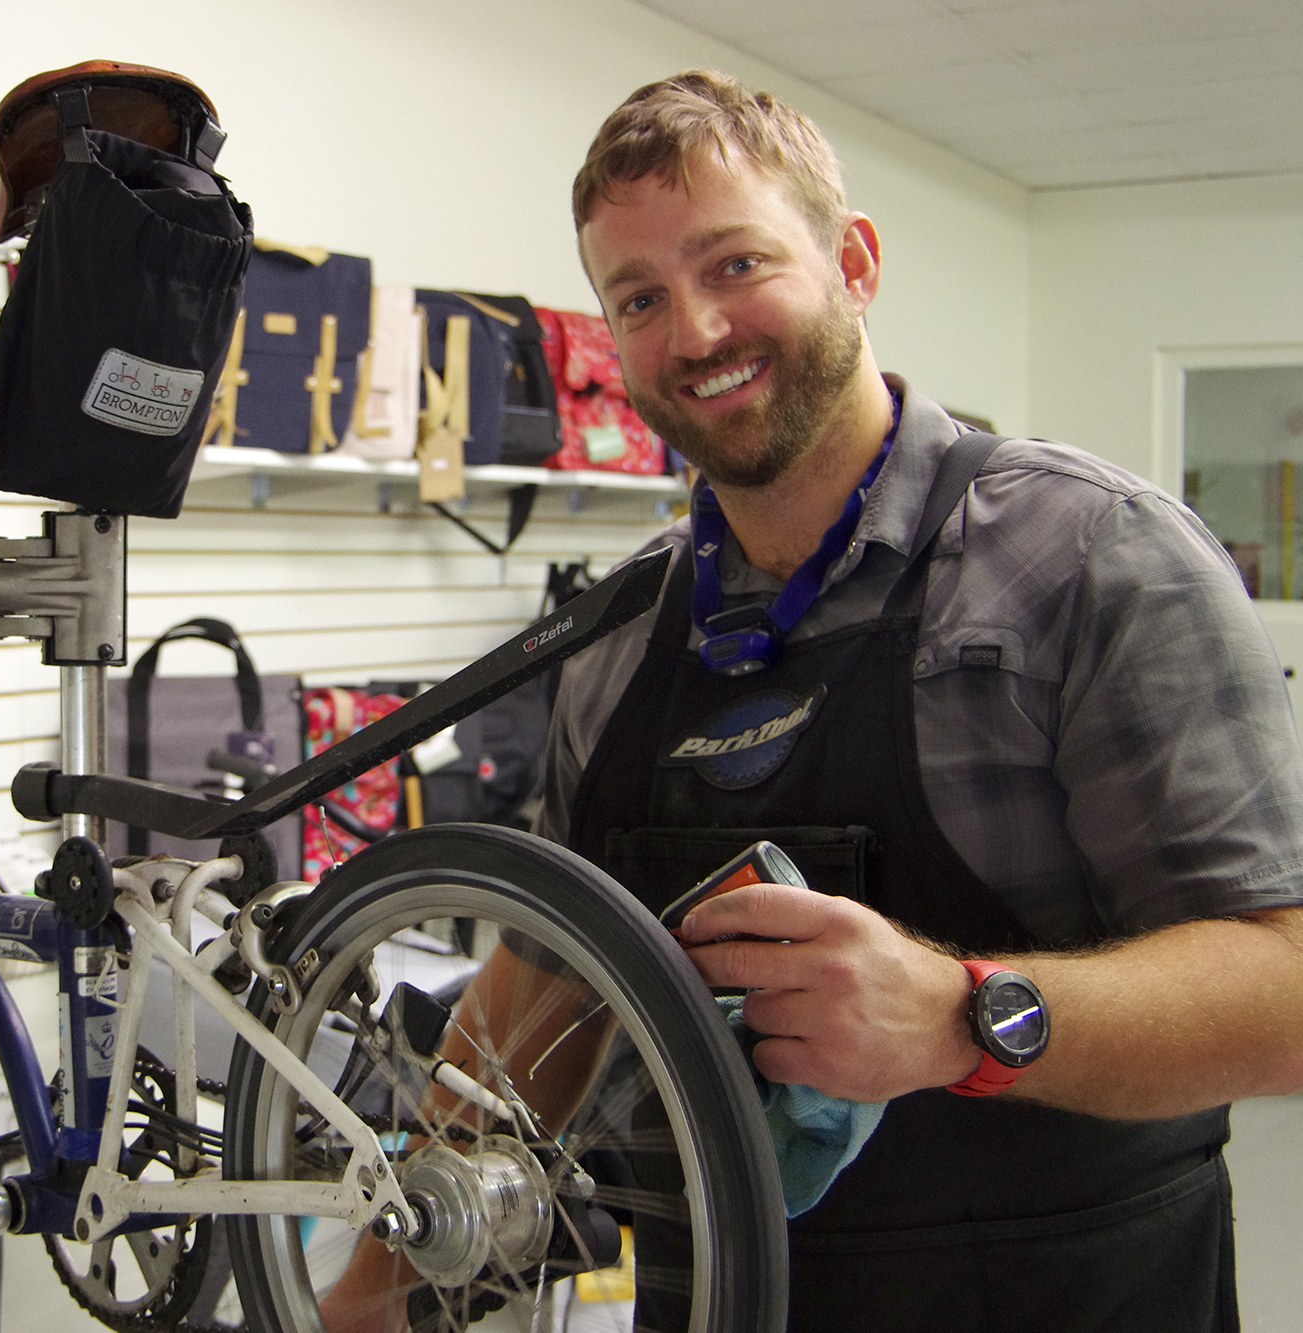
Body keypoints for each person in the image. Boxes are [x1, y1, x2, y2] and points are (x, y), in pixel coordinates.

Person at [322, 69, 1303, 1333]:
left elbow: (1282, 990)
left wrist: (964, 1018)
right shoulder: (619, 637)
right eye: (639, 298)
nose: (694, 333)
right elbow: (543, 982)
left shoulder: (1090, 560)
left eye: (735, 264)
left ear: (853, 261)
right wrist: (370, 1287)